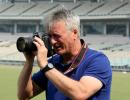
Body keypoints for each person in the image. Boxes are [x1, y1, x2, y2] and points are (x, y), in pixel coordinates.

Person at [17, 8, 112, 100]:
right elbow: (24, 95)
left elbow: (80, 93)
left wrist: (46, 66)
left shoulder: (97, 60)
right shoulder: (54, 62)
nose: (52, 41)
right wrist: (29, 62)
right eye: (49, 36)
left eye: (57, 36)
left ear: (74, 33)